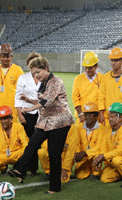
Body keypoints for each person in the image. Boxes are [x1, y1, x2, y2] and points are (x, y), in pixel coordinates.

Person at [7, 57, 74, 194]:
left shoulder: (55, 82)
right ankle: (20, 169)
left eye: (37, 72)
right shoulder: (44, 83)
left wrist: (27, 109)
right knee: (33, 143)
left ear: (45, 68)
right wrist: (28, 100)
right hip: (46, 120)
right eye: (33, 74)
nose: (36, 76)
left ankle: (54, 187)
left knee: (54, 154)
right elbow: (41, 99)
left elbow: (46, 102)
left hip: (60, 122)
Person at [93, 102, 122, 188]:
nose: (109, 119)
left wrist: (103, 156)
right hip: (113, 158)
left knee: (117, 160)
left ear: (120, 118)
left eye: (112, 117)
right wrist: (101, 158)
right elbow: (103, 146)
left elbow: (121, 151)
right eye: (109, 116)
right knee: (105, 178)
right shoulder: (108, 129)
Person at [15, 52, 41, 176]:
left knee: (39, 141)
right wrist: (20, 115)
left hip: (42, 114)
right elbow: (17, 97)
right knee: (30, 141)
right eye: (31, 63)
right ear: (28, 65)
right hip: (27, 114)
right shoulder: (23, 78)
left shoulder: (45, 77)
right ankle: (32, 168)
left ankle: (48, 168)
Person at [0, 44, 23, 128]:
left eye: (7, 56)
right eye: (3, 56)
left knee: (12, 131)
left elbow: (22, 91)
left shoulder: (18, 70)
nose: (5, 59)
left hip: (11, 107)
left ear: (11, 57)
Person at [0, 106, 29, 174]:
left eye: (5, 118)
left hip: (17, 154)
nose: (3, 121)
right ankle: (4, 169)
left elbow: (25, 143)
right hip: (2, 155)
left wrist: (24, 157)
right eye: (1, 119)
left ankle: (18, 167)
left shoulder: (18, 127)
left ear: (11, 118)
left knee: (28, 152)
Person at [98, 47, 122, 126]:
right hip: (108, 118)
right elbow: (101, 96)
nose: (113, 63)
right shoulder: (105, 77)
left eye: (116, 60)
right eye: (112, 60)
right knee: (107, 138)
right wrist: (101, 113)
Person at [74, 102, 105, 181]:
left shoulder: (102, 129)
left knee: (99, 153)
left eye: (90, 115)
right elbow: (76, 142)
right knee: (80, 176)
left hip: (93, 155)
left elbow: (100, 147)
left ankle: (96, 173)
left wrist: (85, 153)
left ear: (96, 116)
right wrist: (77, 153)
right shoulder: (79, 127)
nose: (87, 117)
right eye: (86, 114)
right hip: (83, 157)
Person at [72, 52, 102, 124]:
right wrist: (80, 114)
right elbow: (75, 97)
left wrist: (101, 114)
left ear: (96, 66)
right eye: (86, 67)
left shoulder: (102, 78)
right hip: (82, 117)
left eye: (90, 67)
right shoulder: (78, 79)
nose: (87, 70)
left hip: (97, 117)